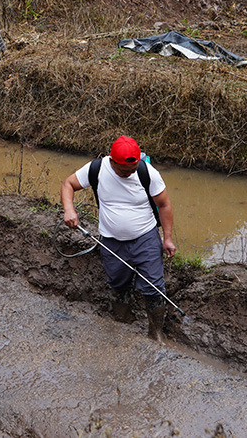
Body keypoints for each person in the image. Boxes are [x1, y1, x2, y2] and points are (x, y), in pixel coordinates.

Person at [61, 136, 176, 341]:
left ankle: (155, 333)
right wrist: (69, 209)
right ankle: (123, 323)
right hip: (112, 241)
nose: (129, 174)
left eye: (132, 169)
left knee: (153, 286)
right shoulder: (97, 169)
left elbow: (164, 205)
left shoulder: (148, 173)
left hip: (146, 238)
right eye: (123, 170)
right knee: (118, 284)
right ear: (112, 161)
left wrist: (167, 238)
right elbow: (68, 184)